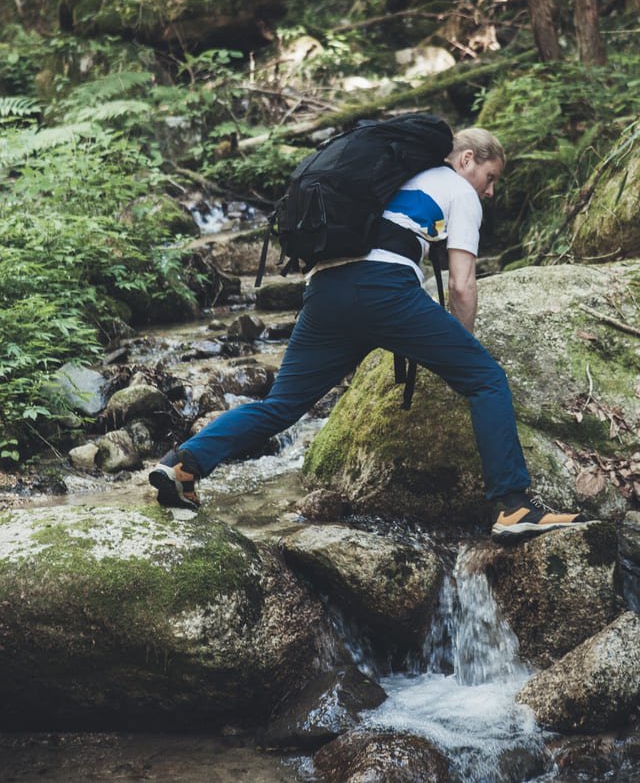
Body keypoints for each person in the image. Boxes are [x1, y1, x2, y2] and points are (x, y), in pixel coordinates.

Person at [150, 127, 584, 541]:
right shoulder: (457, 190)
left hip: (325, 292)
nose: (489, 191)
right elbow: (461, 285)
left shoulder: (389, 177)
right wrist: (462, 350)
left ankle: (182, 465)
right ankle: (512, 507)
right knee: (486, 378)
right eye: (490, 178)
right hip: (384, 289)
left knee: (279, 406)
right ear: (467, 159)